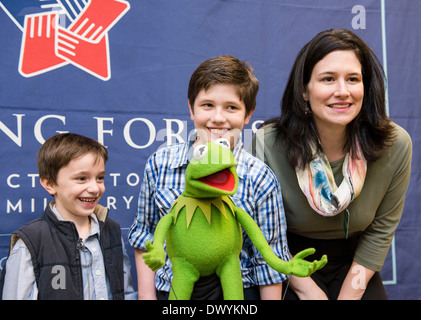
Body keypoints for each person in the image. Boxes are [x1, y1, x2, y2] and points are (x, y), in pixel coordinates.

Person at [251, 29, 412, 300]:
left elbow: (380, 232)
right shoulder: (266, 144)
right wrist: (307, 289)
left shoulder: (395, 144)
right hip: (288, 261)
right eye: (328, 79)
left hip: (356, 265)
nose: (343, 91)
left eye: (353, 79)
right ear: (304, 90)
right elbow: (260, 233)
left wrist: (349, 295)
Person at [128, 55, 290, 300]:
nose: (218, 118)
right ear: (191, 108)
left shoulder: (260, 178)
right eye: (207, 105)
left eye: (231, 107)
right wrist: (147, 297)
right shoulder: (160, 164)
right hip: (173, 290)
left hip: (237, 291)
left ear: (248, 114)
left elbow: (269, 261)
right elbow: (145, 236)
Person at [0, 133, 136, 300]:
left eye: (100, 178)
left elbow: (126, 292)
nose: (94, 188)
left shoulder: (112, 231)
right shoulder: (31, 243)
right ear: (50, 184)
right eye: (81, 178)